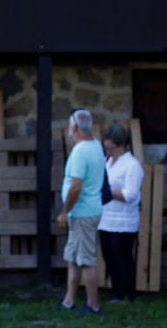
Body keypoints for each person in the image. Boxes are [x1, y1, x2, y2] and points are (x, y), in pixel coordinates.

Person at [56, 108, 106, 314]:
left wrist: (64, 212)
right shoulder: (95, 146)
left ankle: (93, 305)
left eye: (70, 124)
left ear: (75, 127)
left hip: (83, 212)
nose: (69, 128)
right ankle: (69, 301)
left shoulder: (80, 151)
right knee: (73, 258)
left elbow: (76, 186)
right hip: (86, 211)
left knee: (85, 260)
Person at [98, 123, 145, 303]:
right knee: (109, 257)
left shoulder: (132, 165)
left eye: (111, 148)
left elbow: (131, 194)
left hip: (123, 220)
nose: (108, 151)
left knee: (123, 258)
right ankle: (116, 292)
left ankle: (127, 293)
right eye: (106, 148)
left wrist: (107, 192)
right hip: (106, 217)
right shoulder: (107, 161)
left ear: (122, 145)